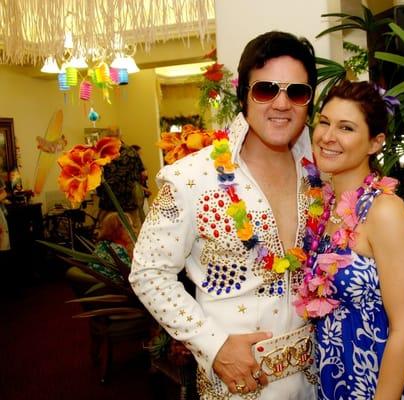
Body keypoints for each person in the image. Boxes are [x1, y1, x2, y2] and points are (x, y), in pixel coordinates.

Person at [129, 31, 318, 399]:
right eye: (266, 89)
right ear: (243, 96)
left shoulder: (319, 175)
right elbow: (149, 271)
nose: (282, 104)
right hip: (236, 384)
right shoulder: (191, 177)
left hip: (313, 381)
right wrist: (213, 346)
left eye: (296, 92)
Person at [297, 80, 404, 399]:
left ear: (375, 142)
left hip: (377, 384)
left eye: (346, 128)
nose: (328, 137)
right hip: (330, 381)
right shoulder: (324, 207)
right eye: (324, 122)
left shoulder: (384, 211)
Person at [95, 129, 145, 232]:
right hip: (130, 204)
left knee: (109, 237)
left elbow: (98, 176)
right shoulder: (132, 152)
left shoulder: (103, 154)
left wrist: (99, 192)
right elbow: (142, 173)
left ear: (109, 137)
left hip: (109, 205)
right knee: (133, 236)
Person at [88, 211, 133, 284]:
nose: (132, 230)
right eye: (128, 227)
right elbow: (132, 275)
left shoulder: (103, 244)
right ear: (116, 230)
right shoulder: (117, 250)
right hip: (114, 288)